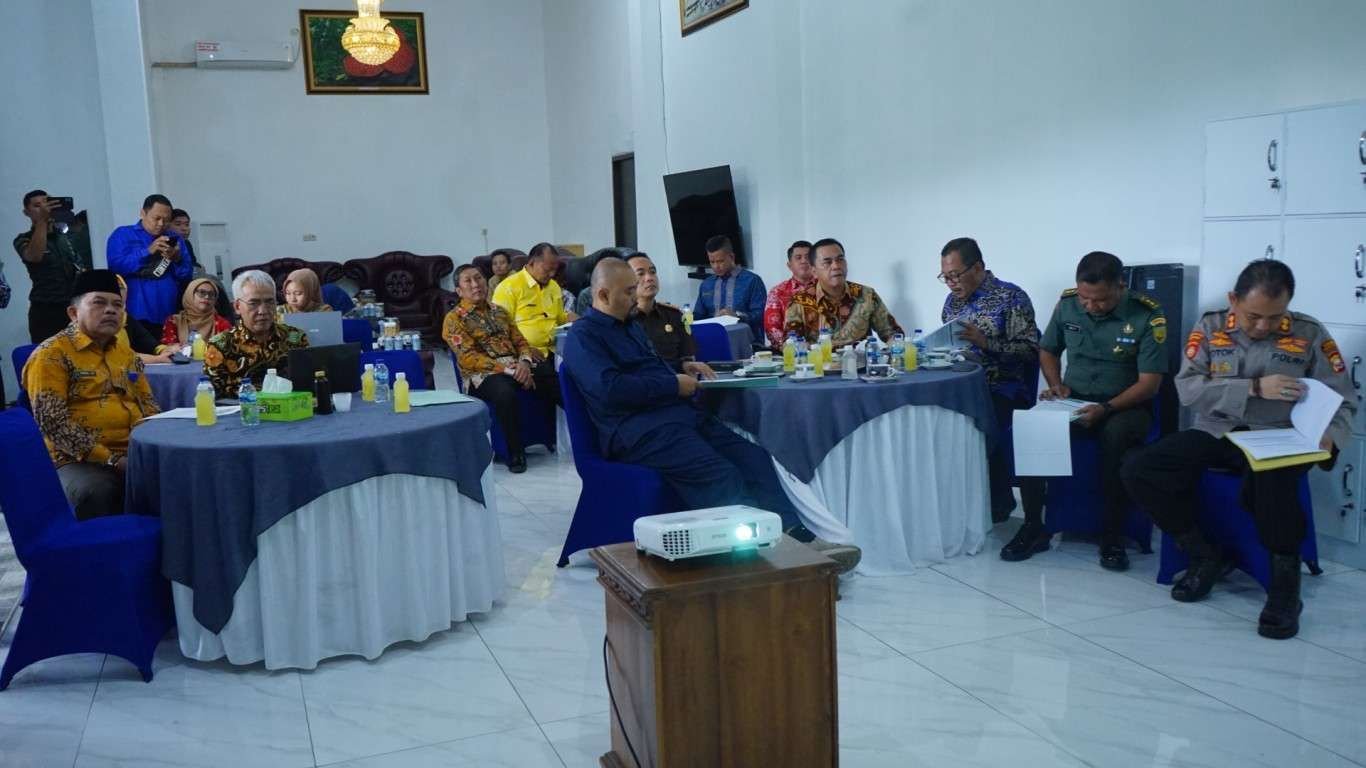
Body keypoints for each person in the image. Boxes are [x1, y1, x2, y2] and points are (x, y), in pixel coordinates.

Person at [562, 258, 860, 571]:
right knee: (721, 475)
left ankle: (798, 539)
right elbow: (610, 389)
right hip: (638, 432)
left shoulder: (631, 326)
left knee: (755, 458)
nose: (636, 297)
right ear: (603, 295)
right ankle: (764, 562)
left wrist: (679, 370)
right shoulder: (583, 337)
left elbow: (646, 370)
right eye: (628, 291)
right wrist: (672, 384)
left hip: (677, 417)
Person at [1122, 260, 1354, 639]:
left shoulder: (1310, 333)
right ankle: (1204, 554)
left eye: (1275, 317)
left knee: (1273, 485)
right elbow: (1188, 389)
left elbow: (1344, 399)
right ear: (1233, 300)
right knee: (1140, 469)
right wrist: (1253, 388)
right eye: (1253, 316)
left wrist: (1330, 437)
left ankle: (1284, 591)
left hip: (1282, 436)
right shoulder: (1211, 328)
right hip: (1220, 432)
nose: (1263, 326)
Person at [1004, 251, 1167, 571]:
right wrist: (1055, 384)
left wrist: (1106, 408)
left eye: (1100, 300)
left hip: (1125, 405)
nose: (1090, 306)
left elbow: (1150, 384)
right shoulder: (1067, 305)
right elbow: (1048, 350)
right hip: (1075, 400)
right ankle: (1034, 525)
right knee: (1031, 428)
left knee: (1115, 436)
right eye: (1084, 298)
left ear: (1120, 286)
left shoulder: (1147, 315)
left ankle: (1112, 535)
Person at [22, 269, 159, 519]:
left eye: (117, 305)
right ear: (73, 313)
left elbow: (148, 405)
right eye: (99, 302)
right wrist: (112, 461)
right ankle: (106, 556)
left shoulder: (126, 355)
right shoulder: (51, 355)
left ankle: (174, 554)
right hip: (77, 459)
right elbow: (54, 424)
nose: (110, 310)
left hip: (134, 452)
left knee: (186, 473)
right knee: (98, 491)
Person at [939, 237, 1040, 522]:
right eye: (945, 278)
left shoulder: (1011, 297)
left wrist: (987, 344)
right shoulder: (951, 303)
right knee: (933, 416)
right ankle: (954, 499)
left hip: (1003, 387)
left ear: (979, 267)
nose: (951, 284)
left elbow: (1032, 351)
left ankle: (997, 501)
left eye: (955, 275)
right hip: (961, 384)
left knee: (977, 421)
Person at [443, 264, 560, 473]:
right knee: (504, 392)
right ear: (459, 291)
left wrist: (524, 363)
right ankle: (515, 454)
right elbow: (469, 358)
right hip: (481, 375)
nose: (475, 284)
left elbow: (521, 342)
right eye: (468, 281)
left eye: (478, 278)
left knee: (550, 375)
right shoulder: (454, 319)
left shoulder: (500, 312)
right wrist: (509, 370)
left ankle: (569, 436)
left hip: (516, 365)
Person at [204, 270, 309, 398]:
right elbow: (214, 397)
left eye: (270, 302)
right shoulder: (220, 345)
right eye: (253, 303)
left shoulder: (295, 337)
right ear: (237, 306)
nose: (263, 311)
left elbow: (307, 384)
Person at [784, 238, 901, 346]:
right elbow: (791, 343)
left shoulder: (867, 295)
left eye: (840, 259)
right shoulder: (799, 301)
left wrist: (895, 347)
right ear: (814, 271)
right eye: (827, 262)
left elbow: (892, 333)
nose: (836, 266)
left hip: (860, 365)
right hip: (819, 366)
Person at [106, 194, 193, 338]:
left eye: (166, 220)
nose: (161, 224)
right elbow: (116, 267)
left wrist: (176, 259)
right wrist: (147, 252)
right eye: (156, 218)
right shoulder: (123, 234)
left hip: (169, 314)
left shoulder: (175, 239)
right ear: (143, 213)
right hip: (135, 312)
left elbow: (186, 276)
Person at [13, 189, 94, 342]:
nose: (44, 209)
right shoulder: (23, 239)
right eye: (37, 206)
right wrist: (42, 221)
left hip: (73, 307)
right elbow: (34, 256)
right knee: (49, 360)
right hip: (46, 311)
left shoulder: (65, 236)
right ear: (26, 212)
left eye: (47, 203)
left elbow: (79, 265)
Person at [628, 252, 713, 375]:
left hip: (677, 384)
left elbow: (688, 357)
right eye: (640, 274)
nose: (649, 278)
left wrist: (688, 366)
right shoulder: (623, 320)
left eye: (652, 272)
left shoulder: (674, 315)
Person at [491, 242, 576, 358]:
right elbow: (499, 330)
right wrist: (525, 349)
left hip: (555, 349)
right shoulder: (508, 287)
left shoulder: (553, 286)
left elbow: (559, 318)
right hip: (525, 354)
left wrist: (570, 318)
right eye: (547, 269)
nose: (552, 274)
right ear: (531, 263)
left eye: (554, 270)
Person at [693, 235, 766, 340]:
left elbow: (761, 315)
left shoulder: (752, 281)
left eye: (720, 261)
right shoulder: (706, 284)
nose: (716, 267)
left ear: (732, 257)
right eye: (712, 262)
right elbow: (698, 316)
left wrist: (737, 315)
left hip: (746, 345)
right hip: (712, 341)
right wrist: (683, 316)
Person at [763, 240, 814, 348]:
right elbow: (772, 328)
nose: (804, 261)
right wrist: (791, 346)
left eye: (808, 257)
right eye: (798, 258)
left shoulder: (826, 288)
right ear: (789, 265)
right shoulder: (777, 292)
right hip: (789, 351)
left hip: (825, 347)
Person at [160, 277, 232, 348]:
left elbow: (226, 351)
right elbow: (169, 349)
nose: (207, 297)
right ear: (190, 294)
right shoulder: (174, 321)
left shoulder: (222, 324)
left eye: (211, 294)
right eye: (202, 292)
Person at [168, 208, 202, 273]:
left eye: (187, 225)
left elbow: (193, 263)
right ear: (167, 226)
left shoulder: (187, 243)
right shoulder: (164, 245)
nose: (184, 229)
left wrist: (198, 267)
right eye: (178, 224)